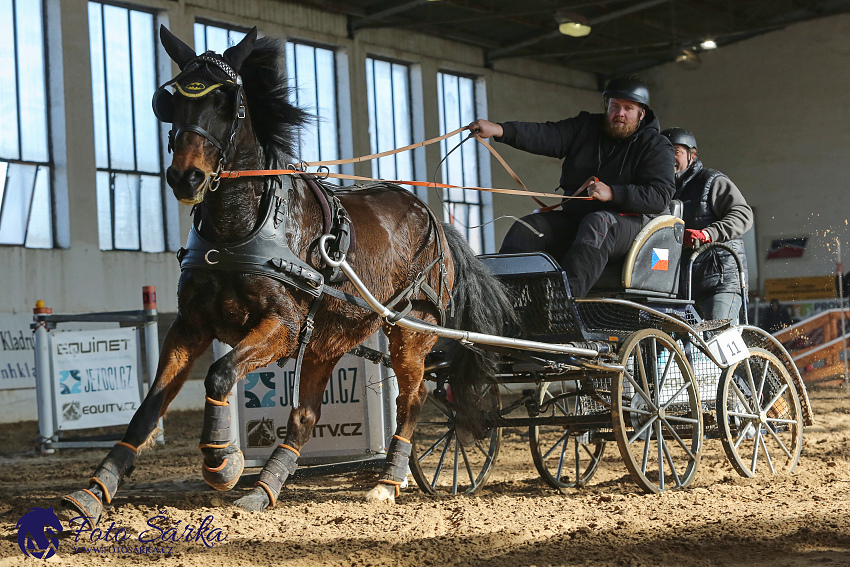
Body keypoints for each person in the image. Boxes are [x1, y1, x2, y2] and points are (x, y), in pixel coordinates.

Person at [469, 75, 674, 298]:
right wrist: (500, 130)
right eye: (615, 106)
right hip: (578, 219)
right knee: (527, 228)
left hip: (626, 225)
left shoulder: (656, 146)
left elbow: (659, 196)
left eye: (628, 108)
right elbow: (546, 135)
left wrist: (614, 192)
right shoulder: (585, 127)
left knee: (598, 223)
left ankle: (563, 303)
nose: (620, 113)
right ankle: (501, 300)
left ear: (641, 114)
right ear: (607, 106)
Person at [661, 127, 753, 321]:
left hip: (720, 282)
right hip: (682, 289)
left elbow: (743, 215)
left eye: (675, 152)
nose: (669, 158)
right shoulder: (656, 194)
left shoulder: (711, 181)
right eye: (663, 152)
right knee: (684, 349)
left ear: (692, 156)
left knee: (718, 336)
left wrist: (707, 234)